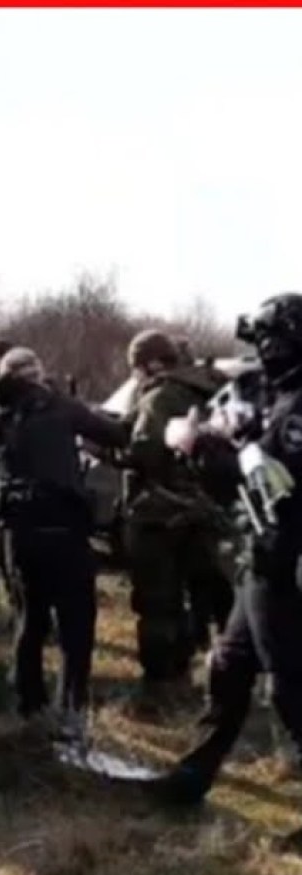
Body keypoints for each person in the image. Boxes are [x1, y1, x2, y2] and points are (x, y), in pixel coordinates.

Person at [148, 294, 302, 821]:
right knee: (230, 665)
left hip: (287, 562)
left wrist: (201, 447)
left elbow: (268, 484)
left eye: (264, 340)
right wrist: (226, 435)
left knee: (291, 688)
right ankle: (193, 776)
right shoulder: (278, 394)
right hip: (265, 556)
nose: (260, 351)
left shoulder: (297, 405)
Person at [0, 347, 129, 742]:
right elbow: (116, 434)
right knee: (76, 623)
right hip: (63, 530)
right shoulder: (60, 407)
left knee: (30, 620)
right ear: (38, 374)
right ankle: (72, 710)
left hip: (18, 533)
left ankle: (28, 706)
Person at [122, 329, 233, 715]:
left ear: (151, 363)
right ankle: (202, 680)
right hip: (202, 512)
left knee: (156, 602)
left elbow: (147, 454)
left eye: (137, 367)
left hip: (158, 514)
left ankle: (161, 688)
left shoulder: (160, 396)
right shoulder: (211, 388)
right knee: (199, 599)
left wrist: (107, 446)